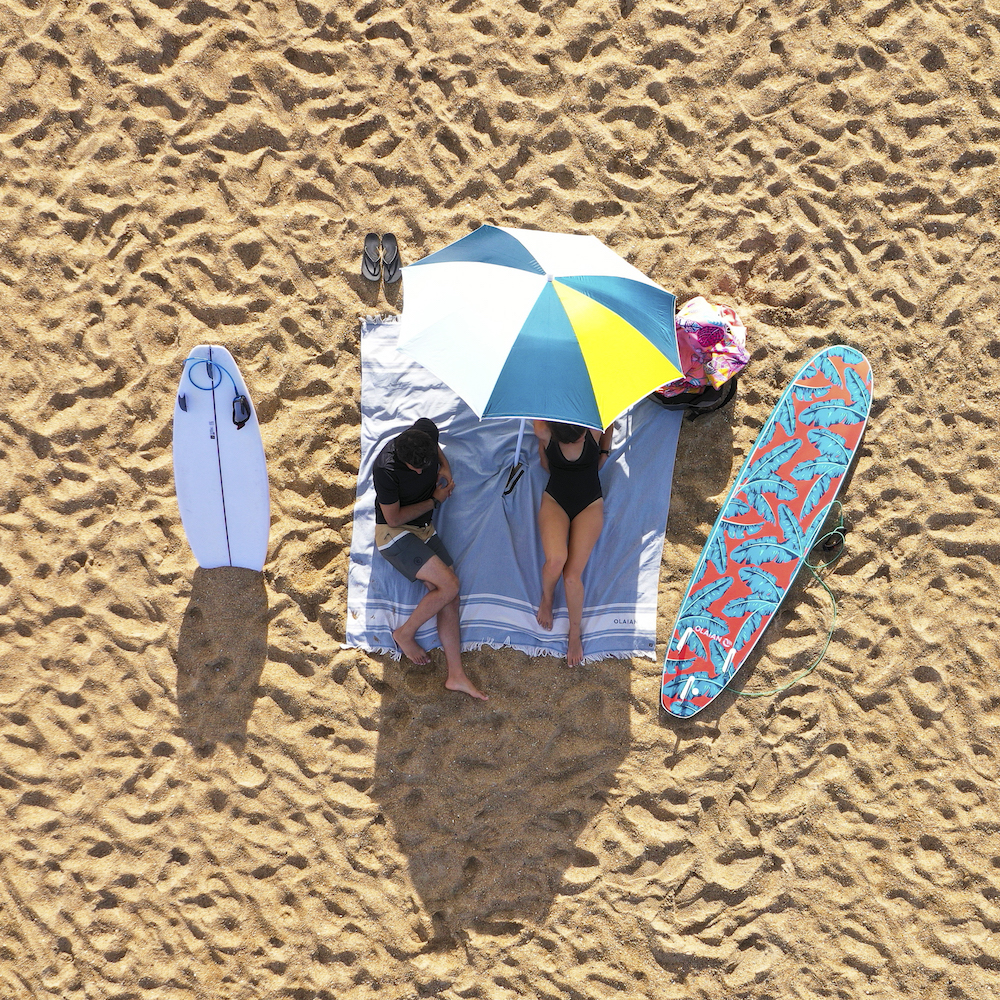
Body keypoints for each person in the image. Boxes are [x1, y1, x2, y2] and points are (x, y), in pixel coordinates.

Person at [372, 418, 487, 701]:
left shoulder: (424, 433)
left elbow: (436, 451)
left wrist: (444, 467)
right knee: (449, 586)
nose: (423, 470)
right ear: (403, 459)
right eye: (417, 468)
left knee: (450, 595)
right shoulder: (386, 469)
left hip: (424, 530)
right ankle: (405, 633)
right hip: (395, 535)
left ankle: (456, 676)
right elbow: (394, 518)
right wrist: (436, 501)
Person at [532, 419, 614, 668]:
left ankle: (574, 634)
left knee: (571, 577)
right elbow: (544, 461)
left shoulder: (593, 426)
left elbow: (610, 423)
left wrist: (604, 452)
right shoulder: (543, 430)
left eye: (579, 437)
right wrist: (545, 453)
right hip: (556, 499)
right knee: (555, 560)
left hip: (589, 503)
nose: (577, 441)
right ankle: (547, 598)